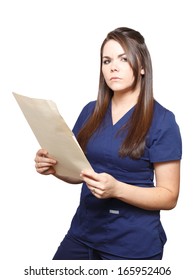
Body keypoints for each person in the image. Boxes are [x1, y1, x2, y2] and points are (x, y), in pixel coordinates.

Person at [34, 27, 182, 260]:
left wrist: (117, 189)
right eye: (107, 60)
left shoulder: (163, 121)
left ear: (142, 67)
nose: (113, 66)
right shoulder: (90, 111)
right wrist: (55, 168)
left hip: (133, 245)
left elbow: (169, 196)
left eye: (123, 58)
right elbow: (80, 172)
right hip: (84, 234)